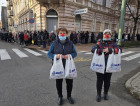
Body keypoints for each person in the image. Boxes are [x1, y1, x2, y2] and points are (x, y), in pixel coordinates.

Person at [48, 28, 77, 105]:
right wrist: (55, 55)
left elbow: (75, 53)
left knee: (69, 82)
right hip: (58, 66)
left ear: (66, 34)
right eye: (61, 33)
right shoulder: (54, 43)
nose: (62, 34)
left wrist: (70, 55)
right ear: (58, 34)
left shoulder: (71, 43)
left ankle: (69, 96)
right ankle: (60, 96)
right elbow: (49, 54)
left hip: (68, 66)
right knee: (59, 83)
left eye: (64, 33)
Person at [91, 29, 120, 102]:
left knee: (107, 81)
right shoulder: (99, 42)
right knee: (99, 80)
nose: (107, 35)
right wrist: (101, 50)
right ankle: (98, 94)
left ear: (111, 35)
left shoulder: (113, 43)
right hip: (100, 65)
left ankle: (106, 93)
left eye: (109, 34)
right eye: (105, 34)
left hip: (109, 65)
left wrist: (109, 50)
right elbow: (93, 49)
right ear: (103, 35)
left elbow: (118, 50)